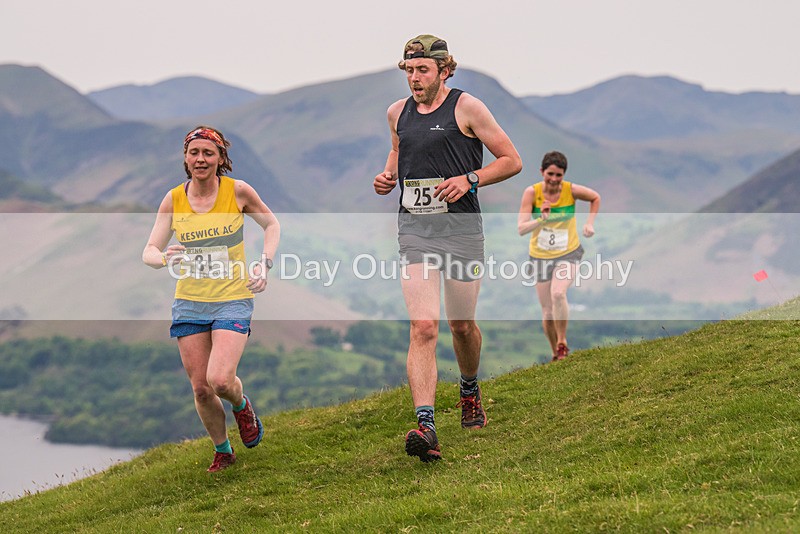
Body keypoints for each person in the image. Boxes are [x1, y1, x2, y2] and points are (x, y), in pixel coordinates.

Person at [374, 35, 522, 462]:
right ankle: (426, 426)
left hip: (461, 231)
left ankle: (469, 388)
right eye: (409, 70)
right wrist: (387, 175)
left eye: (422, 70)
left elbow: (511, 160)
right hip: (415, 230)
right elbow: (398, 149)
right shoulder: (397, 112)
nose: (414, 78)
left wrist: (470, 179)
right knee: (423, 326)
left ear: (444, 70)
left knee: (461, 326)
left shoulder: (467, 107)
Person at [143, 125, 280, 472]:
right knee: (202, 389)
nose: (200, 159)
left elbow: (272, 225)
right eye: (194, 153)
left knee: (220, 380)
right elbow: (149, 250)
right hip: (189, 303)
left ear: (221, 158)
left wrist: (264, 264)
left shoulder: (238, 191)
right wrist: (163, 258)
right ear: (185, 158)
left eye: (208, 153)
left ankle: (241, 405)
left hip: (233, 298)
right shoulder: (173, 200)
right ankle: (223, 451)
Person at [517, 151, 600, 362]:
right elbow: (521, 228)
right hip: (540, 256)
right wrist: (542, 219)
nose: (554, 179)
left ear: (564, 175)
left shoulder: (571, 190)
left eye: (559, 175)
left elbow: (595, 197)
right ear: (542, 172)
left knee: (558, 293)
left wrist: (589, 223)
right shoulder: (532, 193)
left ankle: (562, 342)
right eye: (550, 174)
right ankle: (556, 353)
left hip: (568, 252)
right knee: (547, 311)